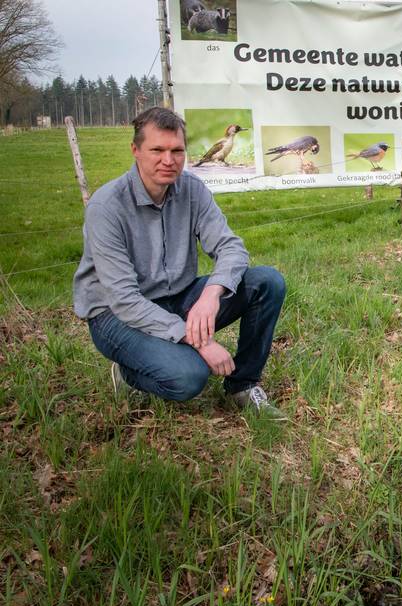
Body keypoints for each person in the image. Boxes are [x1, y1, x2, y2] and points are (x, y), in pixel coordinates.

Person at [73, 107, 288, 417]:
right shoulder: (106, 206)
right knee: (189, 377)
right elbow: (123, 298)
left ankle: (242, 385)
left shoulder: (192, 190)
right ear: (135, 150)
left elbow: (231, 247)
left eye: (177, 150)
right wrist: (198, 341)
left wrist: (212, 294)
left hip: (177, 295)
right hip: (115, 315)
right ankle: (130, 373)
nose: (168, 160)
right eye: (157, 150)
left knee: (266, 282)